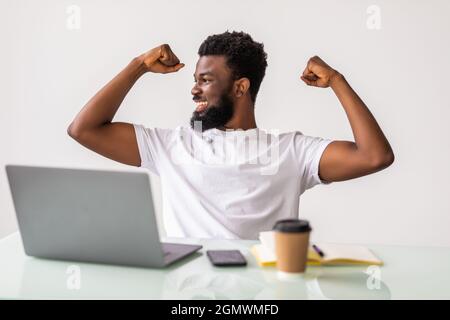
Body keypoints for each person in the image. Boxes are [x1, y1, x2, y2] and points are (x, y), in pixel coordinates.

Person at [67, 31, 394, 239]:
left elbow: (374, 156)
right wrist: (138, 65)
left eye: (206, 80)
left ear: (241, 87)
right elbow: (84, 129)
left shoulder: (291, 150)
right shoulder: (170, 145)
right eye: (195, 79)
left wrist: (337, 79)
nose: (194, 89)